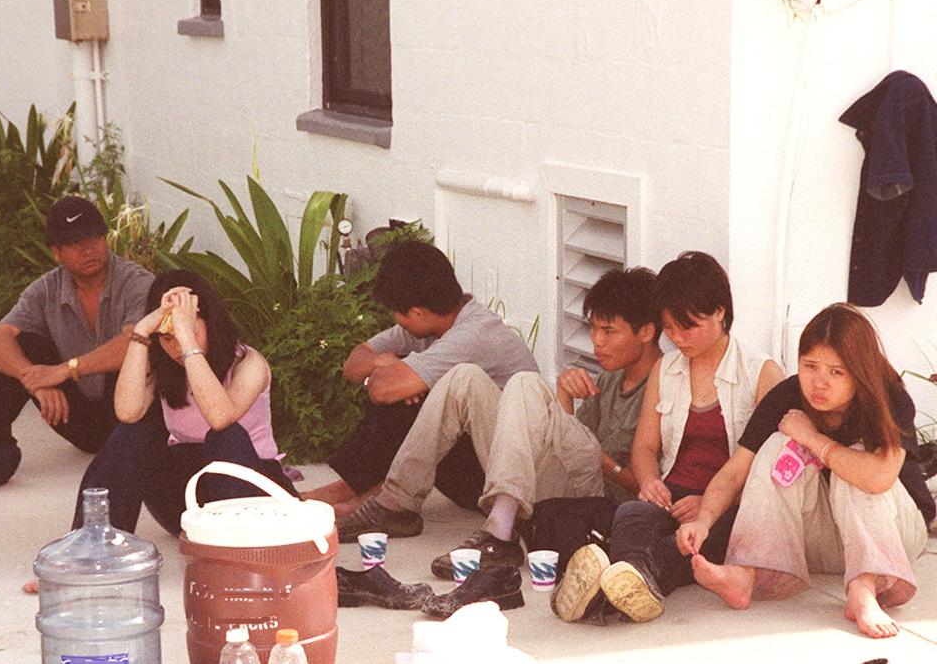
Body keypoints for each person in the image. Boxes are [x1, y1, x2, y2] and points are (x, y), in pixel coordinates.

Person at [336, 267, 661, 590]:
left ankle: (499, 534)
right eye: (593, 330)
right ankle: (396, 505)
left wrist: (601, 458)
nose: (596, 342)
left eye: (608, 332)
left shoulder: (664, 384)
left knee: (524, 383)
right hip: (562, 491)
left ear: (646, 332)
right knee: (463, 376)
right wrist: (562, 398)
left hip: (602, 502)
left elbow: (650, 491)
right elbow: (568, 452)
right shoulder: (612, 375)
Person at [552, 251, 782, 624]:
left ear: (720, 312)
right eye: (669, 328)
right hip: (672, 495)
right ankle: (632, 580)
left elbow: (770, 469)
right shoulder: (667, 367)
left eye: (687, 327)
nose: (676, 339)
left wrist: (709, 502)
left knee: (694, 542)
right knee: (632, 512)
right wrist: (649, 483)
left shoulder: (761, 373)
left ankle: (607, 592)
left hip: (728, 504)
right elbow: (645, 447)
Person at [678, 303, 934, 638]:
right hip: (823, 541)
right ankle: (745, 572)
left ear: (861, 372)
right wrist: (703, 519)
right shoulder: (787, 396)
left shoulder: (888, 398)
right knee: (776, 446)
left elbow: (879, 478)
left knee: (854, 462)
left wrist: (813, 439)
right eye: (810, 366)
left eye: (836, 372)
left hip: (895, 534)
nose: (819, 382)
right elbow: (734, 472)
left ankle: (864, 586)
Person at [0, 195, 154, 485]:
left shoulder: (137, 282)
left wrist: (63, 371)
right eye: (75, 242)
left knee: (136, 352)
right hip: (78, 419)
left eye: (94, 237)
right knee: (25, 346)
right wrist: (36, 381)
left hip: (131, 418)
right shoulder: (46, 288)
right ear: (56, 252)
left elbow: (134, 343)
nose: (88, 248)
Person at [303, 240, 538, 515]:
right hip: (474, 464)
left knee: (405, 397)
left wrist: (386, 374)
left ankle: (357, 497)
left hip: (502, 481)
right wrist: (381, 361)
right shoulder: (431, 322)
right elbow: (353, 363)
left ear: (416, 312)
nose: (396, 320)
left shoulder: (471, 335)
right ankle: (356, 492)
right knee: (406, 386)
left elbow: (381, 391)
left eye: (397, 313)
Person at [77, 270, 297, 533]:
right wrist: (140, 333)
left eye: (189, 330)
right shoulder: (163, 366)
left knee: (224, 435)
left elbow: (220, 417)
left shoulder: (249, 362)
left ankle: (235, 549)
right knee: (132, 433)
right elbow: (127, 412)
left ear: (210, 322)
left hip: (249, 487)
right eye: (167, 337)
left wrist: (186, 337)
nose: (176, 347)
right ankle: (93, 542)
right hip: (189, 495)